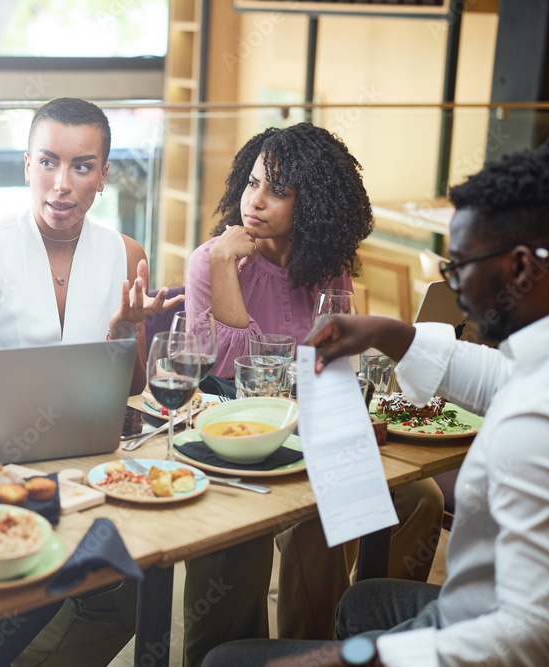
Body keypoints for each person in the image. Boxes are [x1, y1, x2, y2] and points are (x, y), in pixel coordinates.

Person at [205, 143, 549, 666]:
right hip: (473, 609)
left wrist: (353, 659)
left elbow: (524, 637)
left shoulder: (532, 424)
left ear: (521, 268)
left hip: (482, 631)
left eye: (458, 272)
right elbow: (502, 378)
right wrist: (390, 333)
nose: (458, 294)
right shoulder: (534, 374)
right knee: (364, 601)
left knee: (222, 660)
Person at [0, 97, 182, 666]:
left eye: (82, 166)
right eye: (48, 163)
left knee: (131, 584)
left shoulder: (125, 254)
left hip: (85, 469)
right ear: (26, 167)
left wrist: (125, 330)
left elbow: (131, 391)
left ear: (104, 175)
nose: (62, 184)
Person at [181, 124, 443, 664]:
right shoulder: (212, 258)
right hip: (238, 434)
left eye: (277, 191)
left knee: (422, 498)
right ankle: (305, 647)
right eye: (253, 183)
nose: (254, 201)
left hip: (314, 427)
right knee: (323, 519)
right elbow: (230, 367)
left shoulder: (327, 265)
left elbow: (331, 358)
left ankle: (362, 634)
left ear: (314, 205)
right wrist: (226, 264)